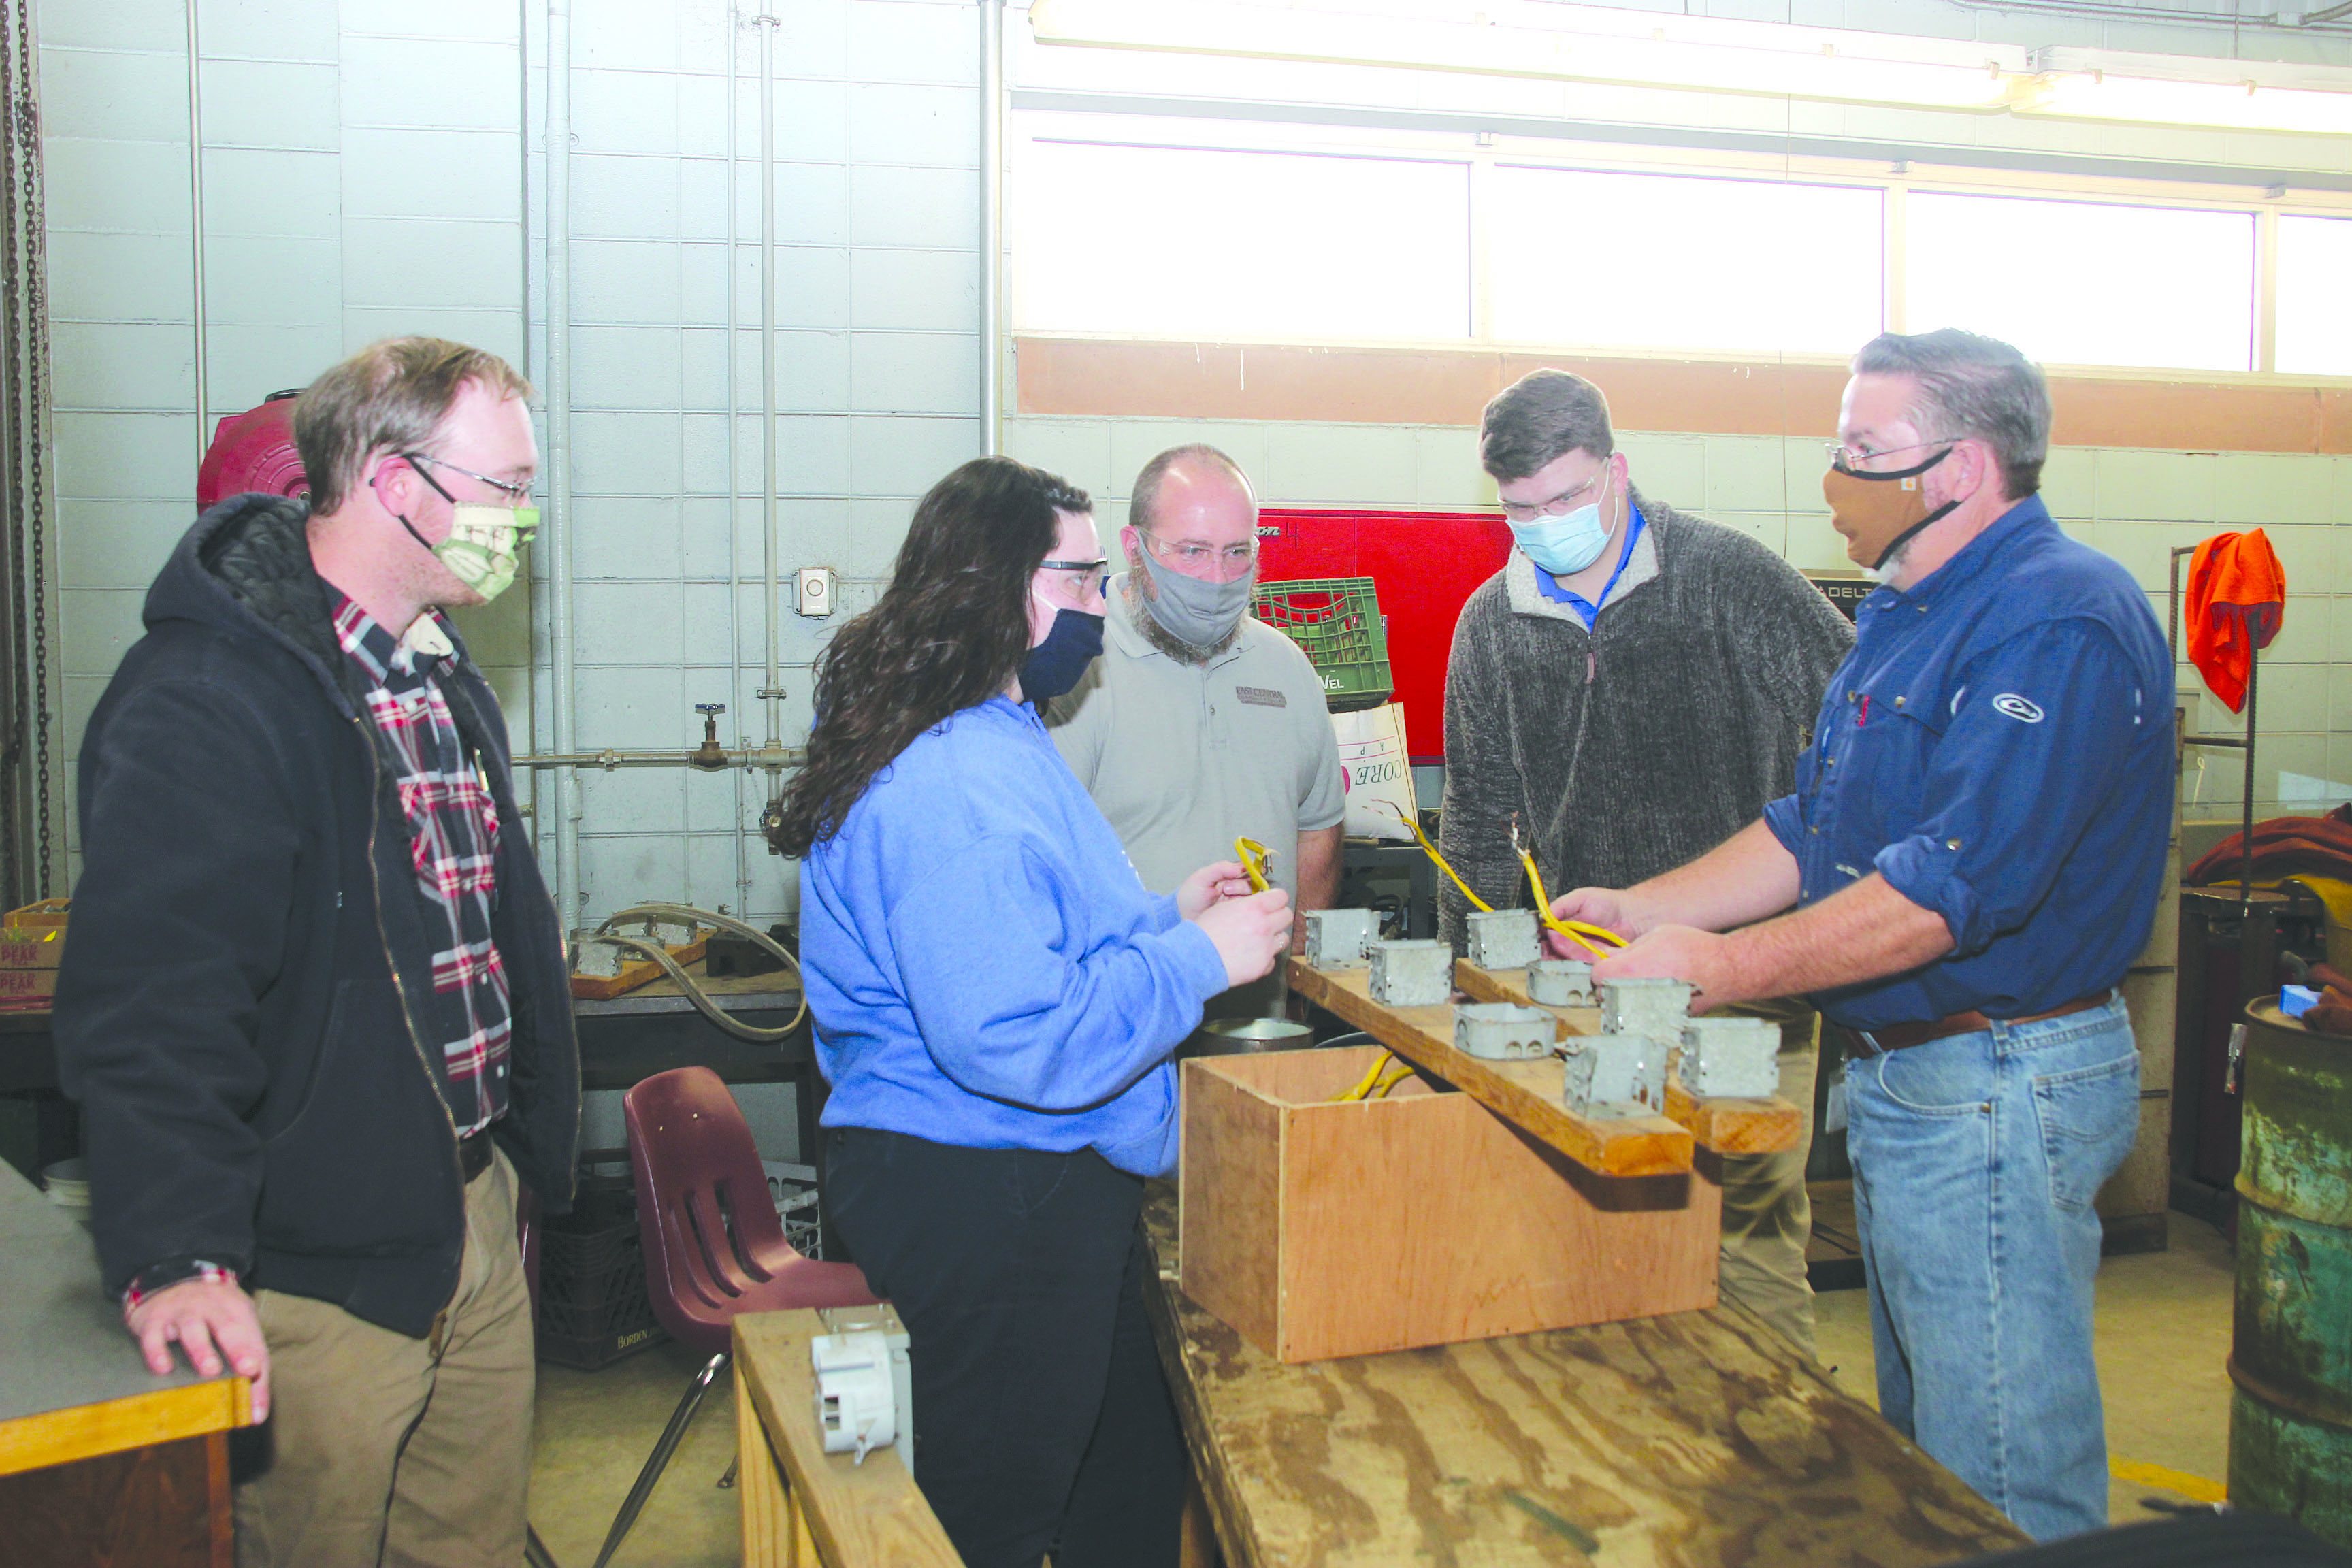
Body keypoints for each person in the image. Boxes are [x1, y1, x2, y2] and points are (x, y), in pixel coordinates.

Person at [1556, 329, 2171, 1541]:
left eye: (1865, 450)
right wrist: (1653, 906)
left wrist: (1723, 967)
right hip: (1916, 1083)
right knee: (1934, 1457)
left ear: (1962, 467)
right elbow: (1812, 823)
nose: (1835, 475)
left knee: (2001, 1469)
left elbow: (1945, 887)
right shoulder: (1904, 614)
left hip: (1998, 1077)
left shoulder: (2055, 618)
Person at [54, 336, 579, 1564]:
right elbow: (155, 1001)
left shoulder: (439, 686)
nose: (521, 519)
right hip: (316, 1273)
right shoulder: (208, 696)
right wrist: (176, 1250)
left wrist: (509, 1172)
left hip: (469, 1219)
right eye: (503, 487)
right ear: (397, 484)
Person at [774, 455, 1292, 1568]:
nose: (1102, 606)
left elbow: (1028, 936)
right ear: (993, 582)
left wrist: (1164, 917)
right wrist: (1195, 961)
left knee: (1124, 1477)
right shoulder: (951, 771)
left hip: (1032, 1170)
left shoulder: (1000, 732)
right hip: (987, 1182)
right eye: (1082, 578)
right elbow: (1013, 1031)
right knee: (990, 1512)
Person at [1439, 368, 1853, 1355]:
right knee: (1597, 1244)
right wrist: (1477, 981)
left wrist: (1820, 899)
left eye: (1570, 497)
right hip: (1583, 989)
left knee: (1747, 1252)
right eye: (1522, 508)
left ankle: (1770, 1466)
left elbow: (1861, 715)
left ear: (1618, 471)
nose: (1546, 523)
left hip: (1744, 990)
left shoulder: (1727, 579)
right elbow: (1475, 815)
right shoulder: (1490, 625)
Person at [1046, 444, 1344, 1018]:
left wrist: (1299, 966)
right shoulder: (1072, 670)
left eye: (1238, 552)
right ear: (1134, 548)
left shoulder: (1287, 668)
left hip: (1258, 1025)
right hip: (1119, 1026)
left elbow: (1318, 826)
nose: (1217, 578)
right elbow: (1047, 864)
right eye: (1193, 552)